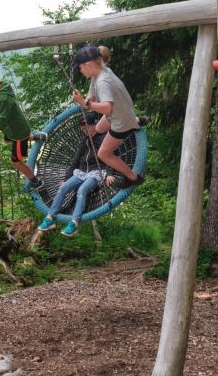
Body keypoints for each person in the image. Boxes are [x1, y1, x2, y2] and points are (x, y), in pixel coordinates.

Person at [70, 45, 144, 189]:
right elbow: (90, 101)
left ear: (89, 65)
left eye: (80, 67)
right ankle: (137, 121)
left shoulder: (103, 81)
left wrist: (85, 102)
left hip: (121, 121)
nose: (79, 70)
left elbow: (107, 107)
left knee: (103, 154)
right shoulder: (98, 73)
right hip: (121, 112)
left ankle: (133, 177)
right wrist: (83, 101)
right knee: (98, 128)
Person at [37, 112, 112, 236]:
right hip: (82, 172)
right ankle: (50, 218)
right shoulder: (84, 141)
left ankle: (74, 222)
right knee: (63, 188)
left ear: (96, 125)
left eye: (87, 127)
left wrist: (109, 173)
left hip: (96, 172)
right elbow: (75, 161)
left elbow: (109, 156)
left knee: (81, 190)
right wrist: (66, 179)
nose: (85, 131)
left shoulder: (102, 138)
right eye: (83, 129)